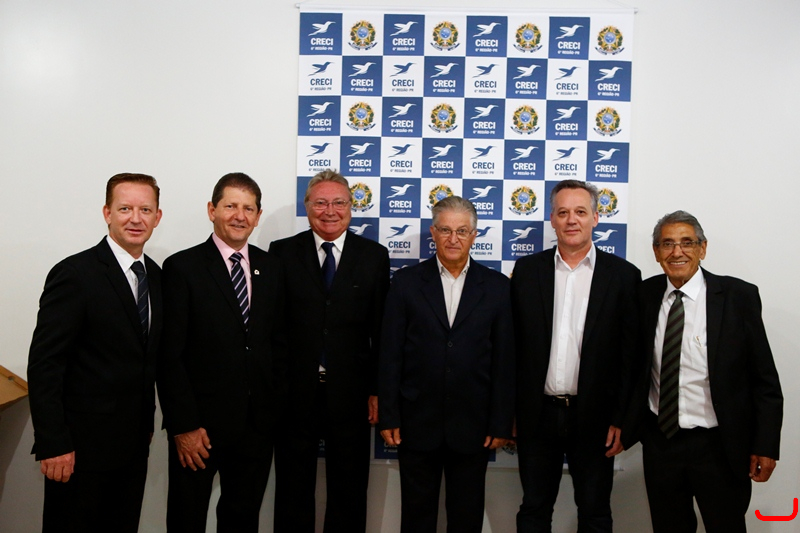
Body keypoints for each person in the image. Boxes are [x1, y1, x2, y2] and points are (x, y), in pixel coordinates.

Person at [622, 210, 783, 533]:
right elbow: (631, 368)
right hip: (662, 443)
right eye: (667, 244)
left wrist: (765, 445)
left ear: (703, 248)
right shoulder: (644, 295)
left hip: (720, 446)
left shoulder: (738, 297)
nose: (677, 252)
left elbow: (764, 380)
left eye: (687, 243)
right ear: (656, 252)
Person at [27, 173, 163, 532]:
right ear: (107, 213)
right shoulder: (75, 273)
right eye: (125, 208)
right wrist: (53, 443)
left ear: (157, 217)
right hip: (78, 450)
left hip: (133, 447)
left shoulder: (156, 277)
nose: (136, 218)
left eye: (145, 209)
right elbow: (45, 364)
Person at [157, 173, 286, 532]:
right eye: (230, 206)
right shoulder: (182, 268)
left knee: (242, 519)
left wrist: (272, 410)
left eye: (248, 208)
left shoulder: (272, 268)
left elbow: (277, 344)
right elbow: (170, 356)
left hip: (256, 426)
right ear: (212, 210)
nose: (239, 216)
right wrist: (184, 425)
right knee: (186, 518)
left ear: (258, 216)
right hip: (199, 428)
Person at [379, 195, 515, 533]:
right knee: (416, 518)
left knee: (466, 519)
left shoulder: (497, 287)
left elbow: (504, 360)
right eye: (445, 230)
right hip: (416, 422)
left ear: (474, 235)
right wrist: (389, 414)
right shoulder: (406, 282)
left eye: (462, 231)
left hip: (473, 426)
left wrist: (501, 422)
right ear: (433, 232)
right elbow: (390, 353)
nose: (453, 239)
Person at [511, 179, 641, 533]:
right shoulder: (527, 271)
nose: (572, 220)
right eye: (563, 212)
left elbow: (630, 357)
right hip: (538, 415)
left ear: (596, 218)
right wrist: (511, 411)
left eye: (580, 212)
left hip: (596, 417)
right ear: (552, 219)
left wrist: (622, 419)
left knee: (595, 511)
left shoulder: (624, 276)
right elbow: (512, 347)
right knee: (534, 508)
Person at [269, 169, 390, 532]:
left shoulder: (374, 256)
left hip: (352, 395)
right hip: (294, 394)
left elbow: (381, 331)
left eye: (339, 202)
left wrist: (377, 390)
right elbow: (272, 328)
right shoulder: (281, 253)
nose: (330, 211)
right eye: (320, 202)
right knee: (292, 489)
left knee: (349, 491)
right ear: (307, 206)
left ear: (351, 207)